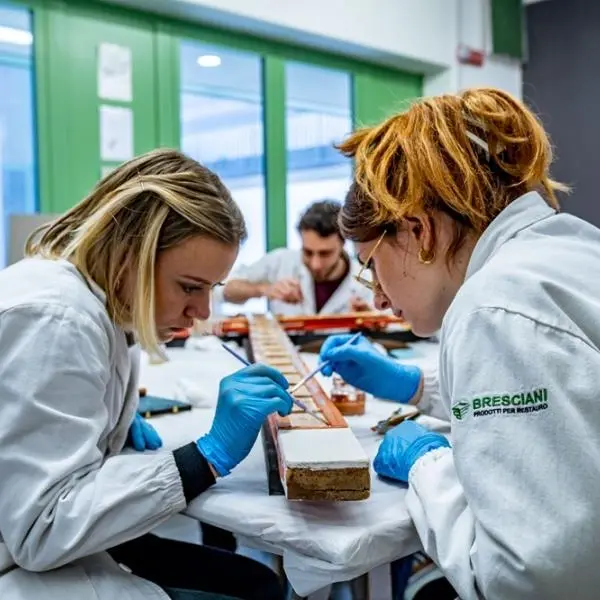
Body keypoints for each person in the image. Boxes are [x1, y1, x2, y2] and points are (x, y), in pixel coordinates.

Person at [319, 87, 600, 600]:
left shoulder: (493, 307)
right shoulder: (569, 249)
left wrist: (428, 464)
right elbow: (570, 404)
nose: (377, 297)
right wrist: (416, 386)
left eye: (370, 267)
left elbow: (527, 581)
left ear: (418, 230)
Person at [0, 149, 291, 600]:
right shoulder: (58, 319)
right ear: (128, 254)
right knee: (253, 592)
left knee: (254, 582)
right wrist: (204, 458)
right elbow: (43, 528)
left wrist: (102, 421)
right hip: (23, 562)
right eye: (190, 286)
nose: (201, 311)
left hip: (37, 544)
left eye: (211, 289)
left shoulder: (97, 308)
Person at [219, 199, 372, 316]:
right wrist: (264, 289)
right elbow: (225, 290)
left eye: (325, 253)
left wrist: (371, 319)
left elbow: (390, 331)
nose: (315, 264)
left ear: (343, 243)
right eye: (308, 252)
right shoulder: (280, 261)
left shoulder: (365, 281)